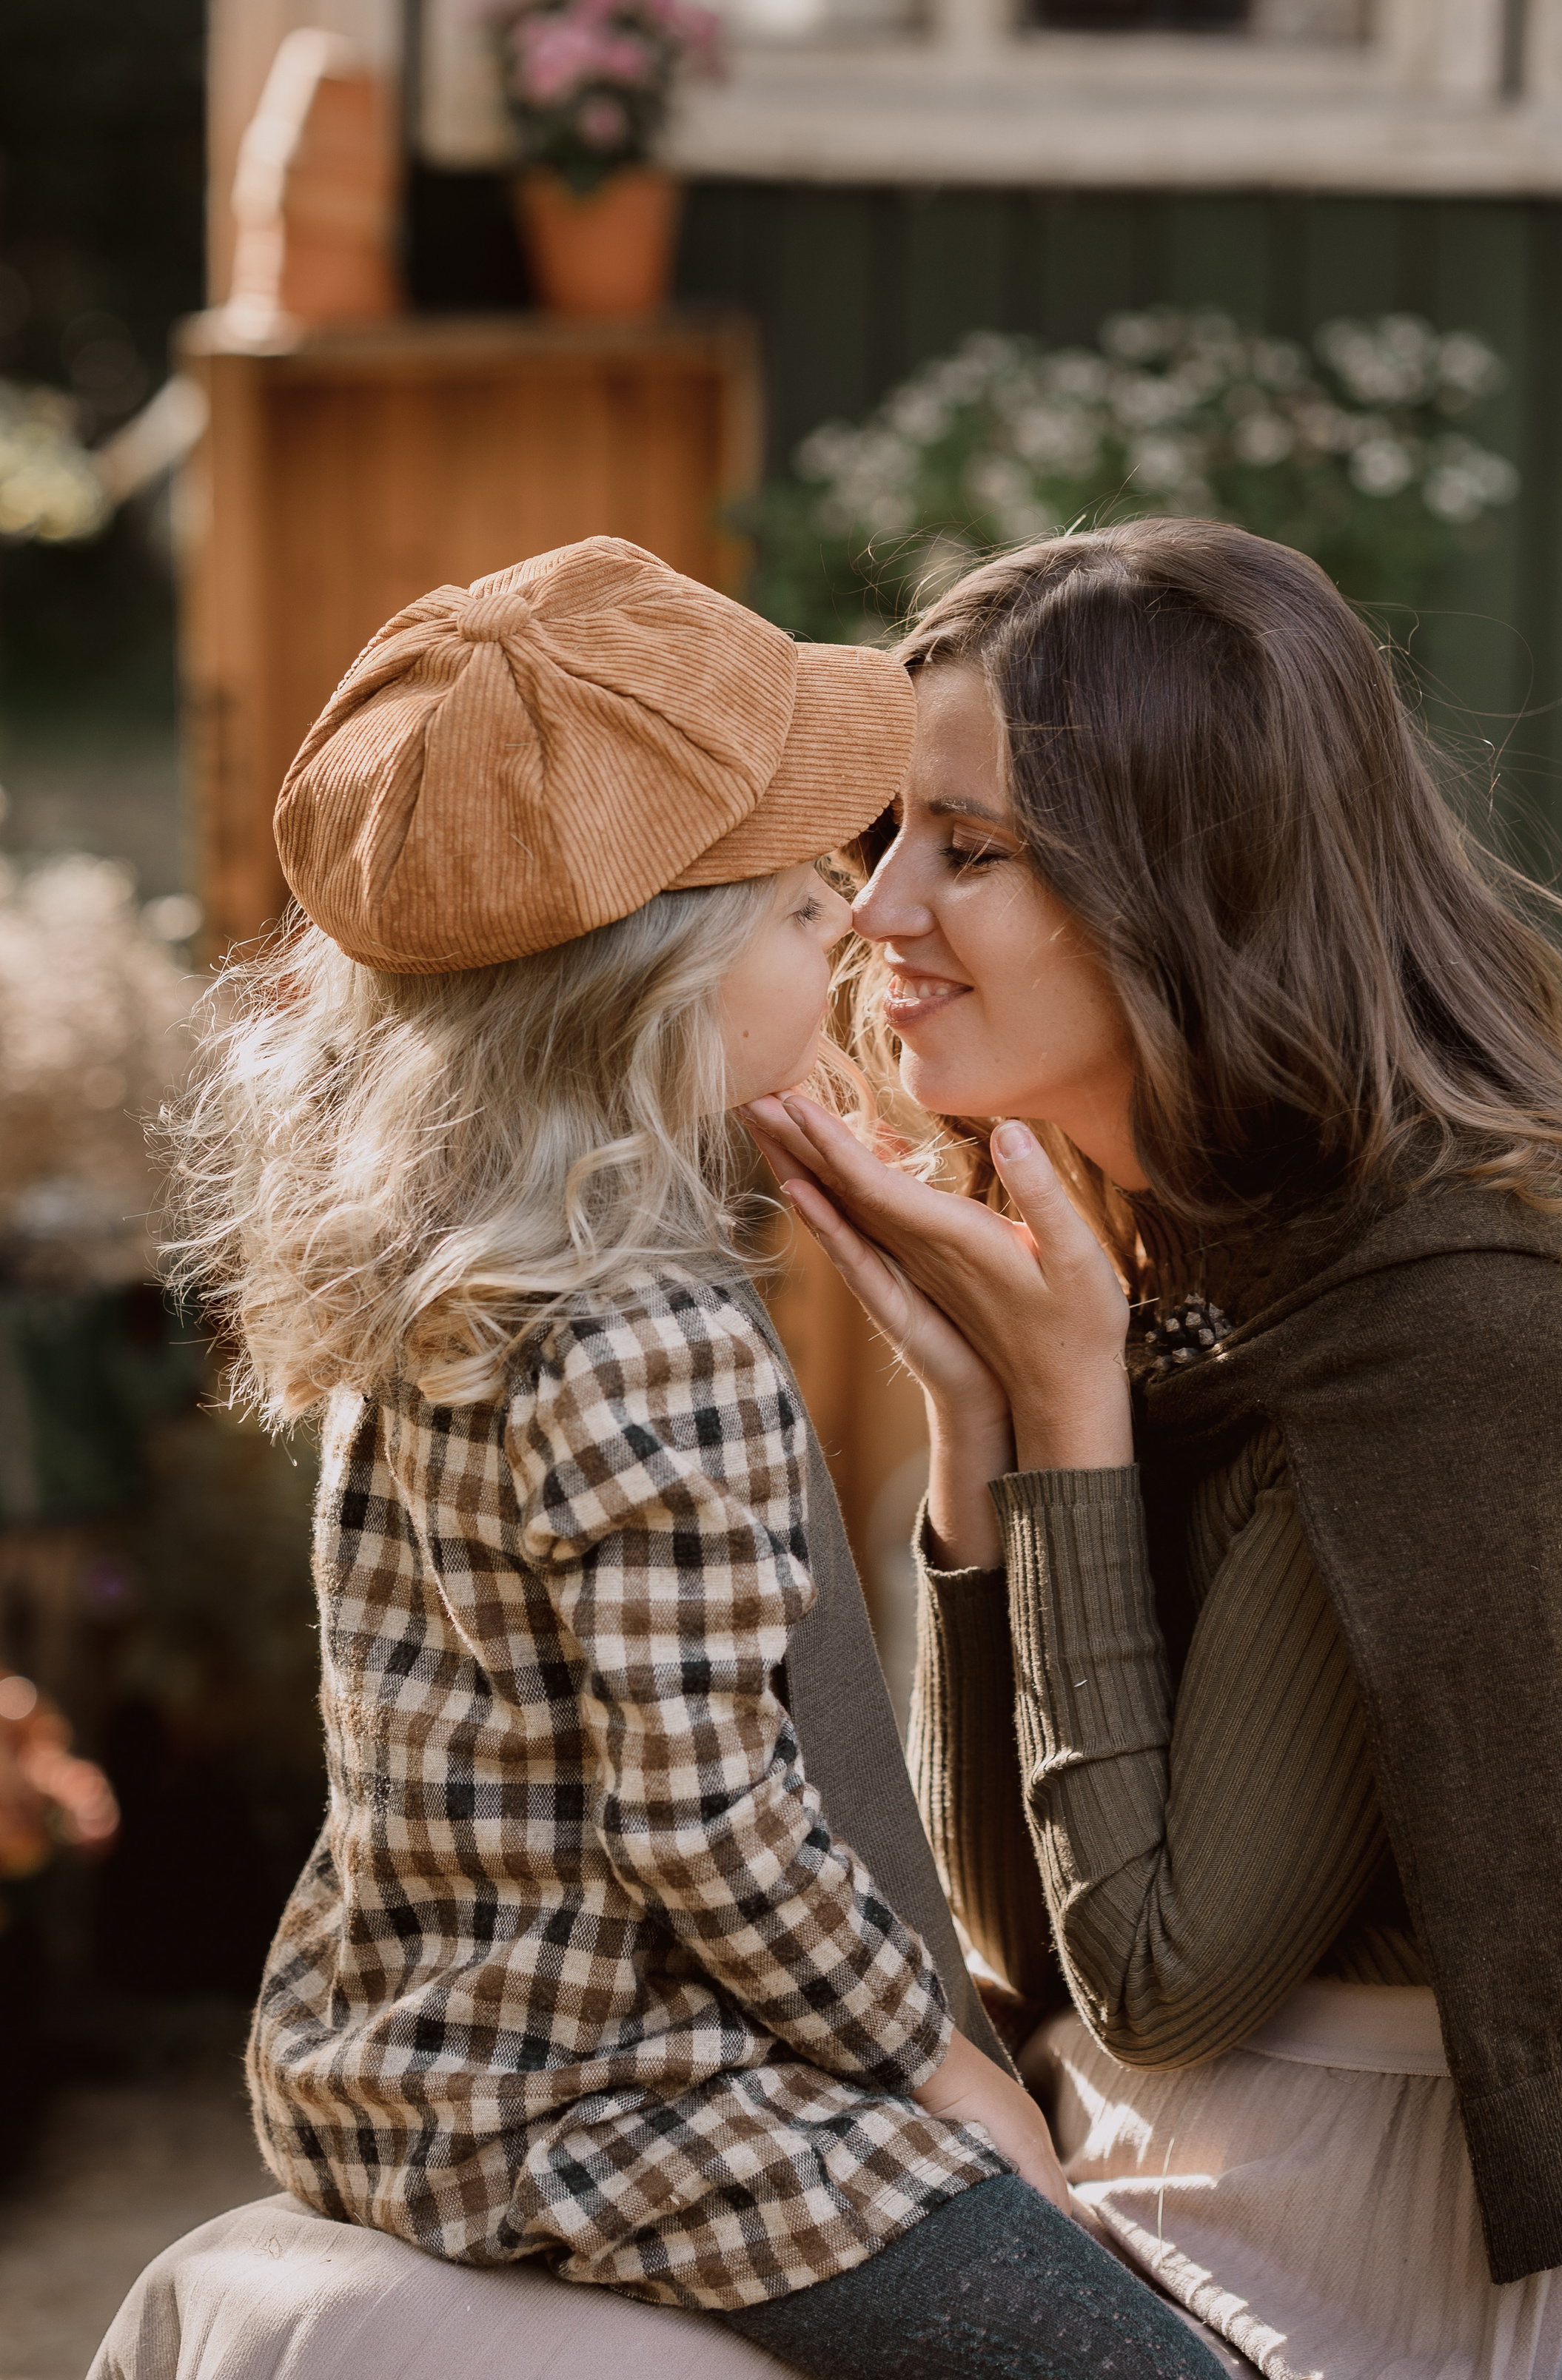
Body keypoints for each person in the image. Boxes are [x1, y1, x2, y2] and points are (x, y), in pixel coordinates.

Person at [743, 519, 1562, 2380]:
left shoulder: (1463, 1328)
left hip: (1397, 2291)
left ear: (1182, 887)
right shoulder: (1199, 1251)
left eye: (965, 851)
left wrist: (1067, 1422)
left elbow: (1156, 1983)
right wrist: (979, 1422)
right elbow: (1020, 1946)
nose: (877, 913)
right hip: (1198, 2187)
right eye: (885, 841)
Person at [160, 536, 1227, 2380]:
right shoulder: (652, 1331)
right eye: (803, 895)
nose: (857, 916)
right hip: (601, 2098)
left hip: (379, 2062)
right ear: (653, 978)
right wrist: (939, 2066)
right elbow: (708, 1827)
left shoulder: (450, 1285)